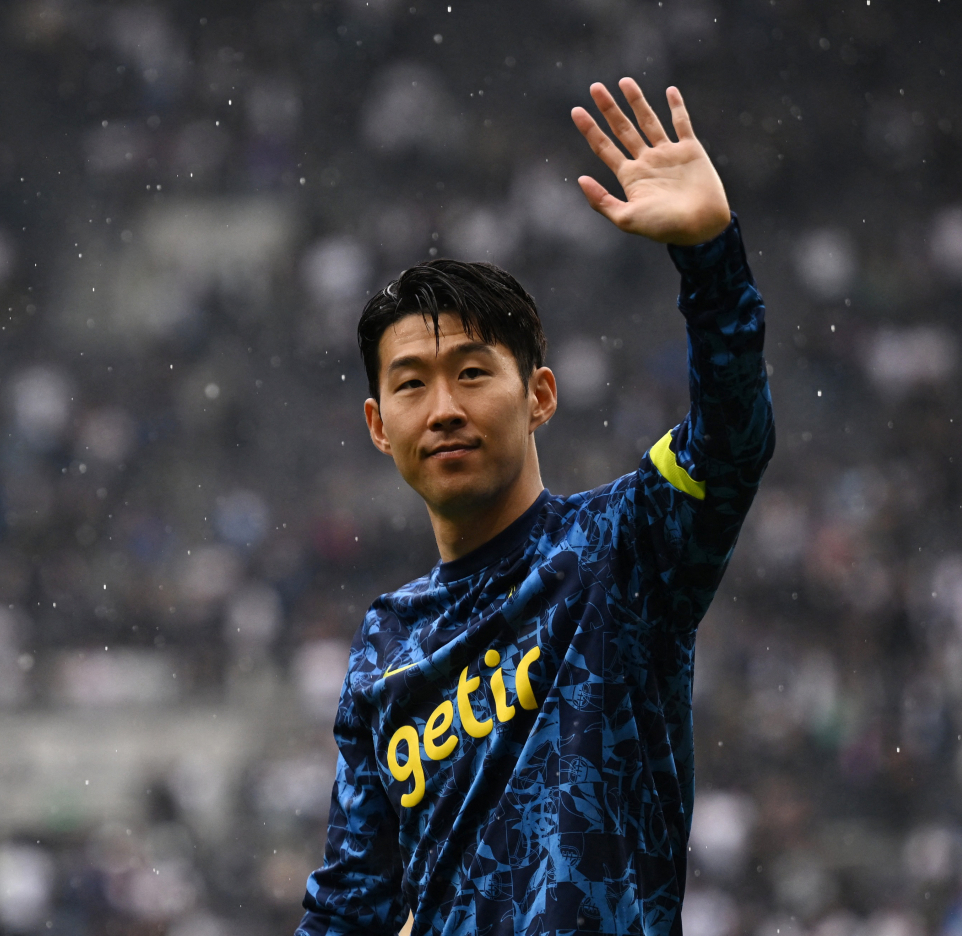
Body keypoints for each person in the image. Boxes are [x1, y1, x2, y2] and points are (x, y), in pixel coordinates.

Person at [296, 78, 775, 936]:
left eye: (473, 373)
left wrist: (711, 257)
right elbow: (348, 905)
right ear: (378, 425)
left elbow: (731, 444)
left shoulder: (620, 549)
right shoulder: (384, 650)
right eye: (411, 384)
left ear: (540, 396)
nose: (443, 407)